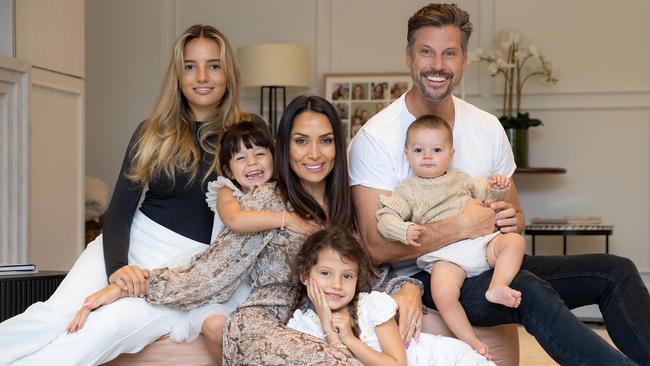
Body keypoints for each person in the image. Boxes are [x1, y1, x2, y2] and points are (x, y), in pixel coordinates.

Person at [348, 3, 650, 365]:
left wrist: (508, 218)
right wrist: (459, 226)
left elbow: (517, 214)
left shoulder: (487, 127)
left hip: (489, 258)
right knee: (530, 290)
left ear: (463, 60)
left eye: (449, 53)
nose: (437, 65)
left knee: (615, 271)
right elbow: (376, 246)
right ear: (410, 56)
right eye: (426, 52)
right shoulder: (375, 137)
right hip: (430, 276)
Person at [0, 24, 261, 365]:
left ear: (228, 73)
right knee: (53, 318)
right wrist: (118, 268)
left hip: (184, 264)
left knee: (96, 331)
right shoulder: (153, 131)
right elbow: (120, 211)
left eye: (213, 65)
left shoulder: (249, 132)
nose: (202, 76)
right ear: (178, 76)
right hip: (129, 244)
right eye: (189, 66)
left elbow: (264, 204)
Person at [67, 120, 320, 363]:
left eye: (260, 154)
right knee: (213, 320)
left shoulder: (282, 192)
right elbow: (235, 220)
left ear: (275, 159)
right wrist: (285, 219)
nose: (252, 162)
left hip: (253, 283)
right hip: (222, 274)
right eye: (241, 158)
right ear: (229, 170)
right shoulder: (227, 190)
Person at [376, 115, 525, 357]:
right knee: (443, 294)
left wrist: (499, 188)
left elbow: (489, 198)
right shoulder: (407, 191)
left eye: (436, 149)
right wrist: (403, 230)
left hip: (478, 243)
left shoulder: (461, 179)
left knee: (514, 241)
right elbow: (386, 216)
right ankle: (471, 340)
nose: (427, 155)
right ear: (407, 154)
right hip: (445, 256)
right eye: (418, 150)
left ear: (451, 153)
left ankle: (498, 285)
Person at [287, 227, 496, 366]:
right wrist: (327, 326)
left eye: (347, 276)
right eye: (325, 273)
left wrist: (349, 338)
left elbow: (398, 364)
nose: (337, 285)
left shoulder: (370, 306)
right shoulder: (302, 326)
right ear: (305, 275)